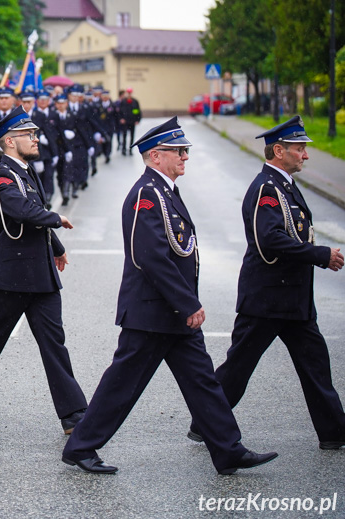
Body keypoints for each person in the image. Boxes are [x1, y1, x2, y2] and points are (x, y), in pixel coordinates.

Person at [61, 118, 278, 475]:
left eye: (186, 150)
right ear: (156, 156)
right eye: (180, 151)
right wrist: (188, 303)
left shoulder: (165, 192)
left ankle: (228, 450)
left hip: (170, 313)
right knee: (122, 384)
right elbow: (151, 256)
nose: (186, 157)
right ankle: (81, 447)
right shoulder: (147, 194)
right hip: (152, 311)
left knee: (203, 382)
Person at [187, 115, 345, 450]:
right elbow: (270, 240)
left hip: (294, 300)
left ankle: (334, 433)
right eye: (299, 148)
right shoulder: (266, 189)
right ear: (278, 150)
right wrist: (320, 254)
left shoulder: (284, 185)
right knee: (238, 368)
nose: (305, 155)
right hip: (268, 299)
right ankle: (204, 422)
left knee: (316, 365)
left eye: (303, 148)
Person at [0, 107, 88, 432]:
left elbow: (33, 209)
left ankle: (73, 414)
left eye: (35, 134)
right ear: (10, 142)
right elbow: (22, 209)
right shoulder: (2, 175)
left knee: (54, 341)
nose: (36, 138)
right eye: (30, 135)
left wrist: (56, 246)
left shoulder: (24, 170)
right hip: (12, 276)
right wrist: (56, 218)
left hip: (39, 274)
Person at [118, 88, 142, 155]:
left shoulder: (135, 101)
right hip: (125, 121)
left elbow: (138, 111)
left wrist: (137, 120)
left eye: (130, 93)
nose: (129, 95)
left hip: (132, 121)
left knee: (132, 136)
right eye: (128, 93)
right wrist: (121, 118)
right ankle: (124, 149)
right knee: (124, 135)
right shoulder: (123, 101)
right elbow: (119, 111)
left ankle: (131, 149)